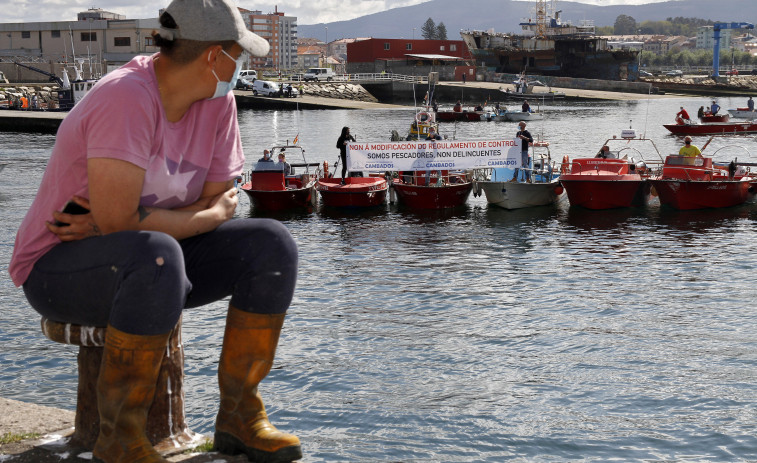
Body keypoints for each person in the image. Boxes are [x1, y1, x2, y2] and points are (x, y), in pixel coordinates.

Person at [8, 1, 302, 462]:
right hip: (59, 265)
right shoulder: (126, 97)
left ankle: (239, 417)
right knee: (155, 254)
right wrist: (198, 219)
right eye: (238, 55)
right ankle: (120, 439)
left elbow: (148, 213)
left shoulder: (218, 102)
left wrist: (118, 221)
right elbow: (203, 209)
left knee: (271, 245)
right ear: (213, 57)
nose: (241, 66)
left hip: (152, 259)